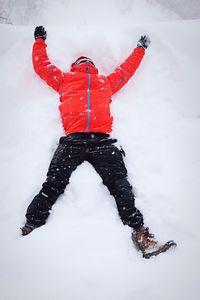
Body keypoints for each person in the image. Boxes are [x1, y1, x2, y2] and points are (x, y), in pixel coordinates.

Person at [21, 26, 176, 258]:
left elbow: (41, 66)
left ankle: (31, 227)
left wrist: (39, 41)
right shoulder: (104, 81)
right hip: (102, 142)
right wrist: (140, 49)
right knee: (120, 185)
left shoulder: (66, 79)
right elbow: (126, 70)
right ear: (92, 67)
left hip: (74, 142)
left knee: (54, 183)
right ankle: (139, 232)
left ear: (76, 66)